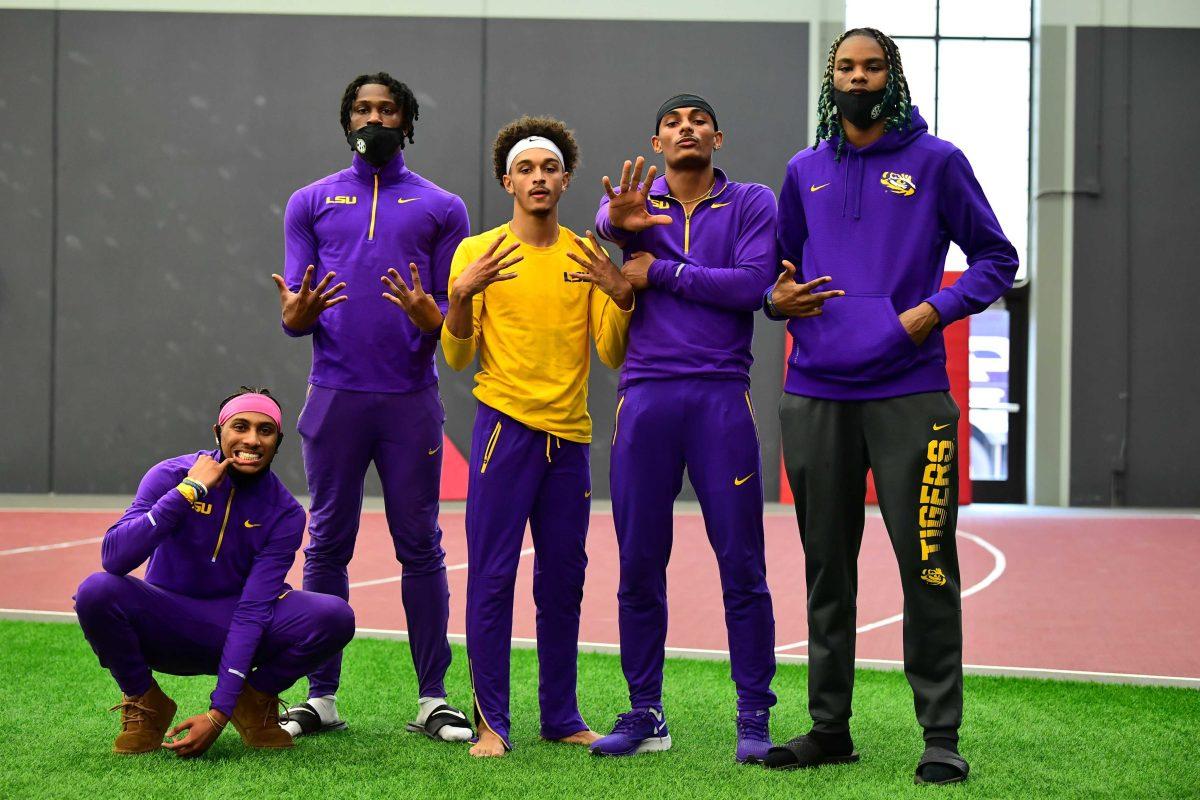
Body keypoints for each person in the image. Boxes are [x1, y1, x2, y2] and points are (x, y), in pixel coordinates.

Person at [762, 29, 1018, 785]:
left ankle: (941, 733)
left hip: (911, 395)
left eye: (872, 65)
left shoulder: (938, 162)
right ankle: (828, 729)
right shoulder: (803, 169)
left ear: (891, 77)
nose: (858, 76)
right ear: (831, 78)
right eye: (846, 66)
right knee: (825, 568)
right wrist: (774, 298)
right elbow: (773, 276)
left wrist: (932, 312)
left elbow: (997, 260)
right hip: (817, 394)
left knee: (928, 565)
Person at [272, 72, 471, 741]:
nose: (375, 117)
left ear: (407, 122)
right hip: (334, 400)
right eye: (363, 108)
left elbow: (452, 319)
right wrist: (294, 316)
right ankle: (320, 697)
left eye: (388, 109)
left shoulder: (443, 207)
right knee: (327, 542)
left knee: (421, 547)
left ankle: (432, 698)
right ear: (346, 120)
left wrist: (432, 315)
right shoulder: (309, 201)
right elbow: (296, 313)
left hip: (410, 403)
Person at [589, 94, 778, 763]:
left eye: (698, 121)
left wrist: (659, 269)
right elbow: (607, 221)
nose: (686, 129)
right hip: (645, 400)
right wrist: (618, 222)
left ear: (717, 138)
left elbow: (752, 285)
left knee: (743, 565)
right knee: (639, 565)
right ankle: (646, 713)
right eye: (672, 123)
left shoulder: (753, 202)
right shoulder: (639, 204)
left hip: (721, 399)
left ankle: (754, 716)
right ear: (657, 139)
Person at [439, 116, 633, 757]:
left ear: (566, 178)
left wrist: (620, 296)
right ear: (508, 181)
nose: (539, 177)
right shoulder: (478, 253)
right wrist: (461, 297)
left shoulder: (588, 253)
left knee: (563, 581)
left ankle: (561, 715)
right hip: (503, 432)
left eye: (549, 167)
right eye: (526, 169)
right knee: (491, 579)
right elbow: (458, 357)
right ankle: (492, 720)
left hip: (569, 441)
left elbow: (609, 353)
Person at [73, 388, 355, 757]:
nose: (252, 440)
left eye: (265, 431)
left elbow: (254, 609)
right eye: (241, 426)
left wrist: (220, 710)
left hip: (235, 625)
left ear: (278, 441)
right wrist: (188, 491)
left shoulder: (285, 512)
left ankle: (251, 702)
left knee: (334, 616)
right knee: (96, 591)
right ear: (218, 432)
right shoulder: (169, 475)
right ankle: (145, 702)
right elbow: (115, 558)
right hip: (167, 622)